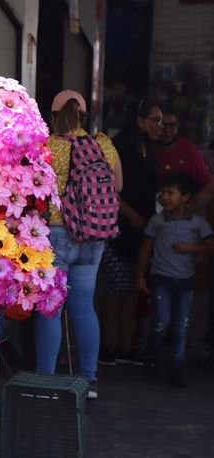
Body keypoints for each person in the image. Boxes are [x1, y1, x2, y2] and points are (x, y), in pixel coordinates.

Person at [34, 90, 123, 399]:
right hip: (94, 236)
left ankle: (46, 380)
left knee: (51, 309)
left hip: (58, 234)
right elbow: (118, 186)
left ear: (54, 115)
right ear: (84, 116)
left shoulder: (47, 147)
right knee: (84, 306)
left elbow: (36, 191)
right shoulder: (104, 145)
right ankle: (89, 381)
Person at [98, 100, 163, 365]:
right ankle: (108, 345)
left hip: (143, 228)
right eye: (155, 120)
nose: (160, 126)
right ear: (140, 121)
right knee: (116, 288)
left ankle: (127, 345)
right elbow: (111, 188)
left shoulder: (148, 149)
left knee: (133, 289)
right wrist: (132, 216)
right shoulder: (120, 147)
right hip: (120, 225)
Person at [137, 173, 214, 387]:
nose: (165, 197)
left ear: (186, 197)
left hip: (185, 281)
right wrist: (141, 275)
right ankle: (151, 356)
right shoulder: (157, 221)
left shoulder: (197, 223)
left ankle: (177, 367)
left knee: (182, 325)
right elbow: (146, 247)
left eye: (171, 193)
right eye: (163, 193)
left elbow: (210, 246)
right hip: (161, 278)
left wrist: (190, 248)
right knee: (161, 322)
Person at [153, 109, 210, 187]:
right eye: (162, 125)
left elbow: (205, 180)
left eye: (172, 125)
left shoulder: (187, 147)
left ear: (178, 126)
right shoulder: (146, 149)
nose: (167, 130)